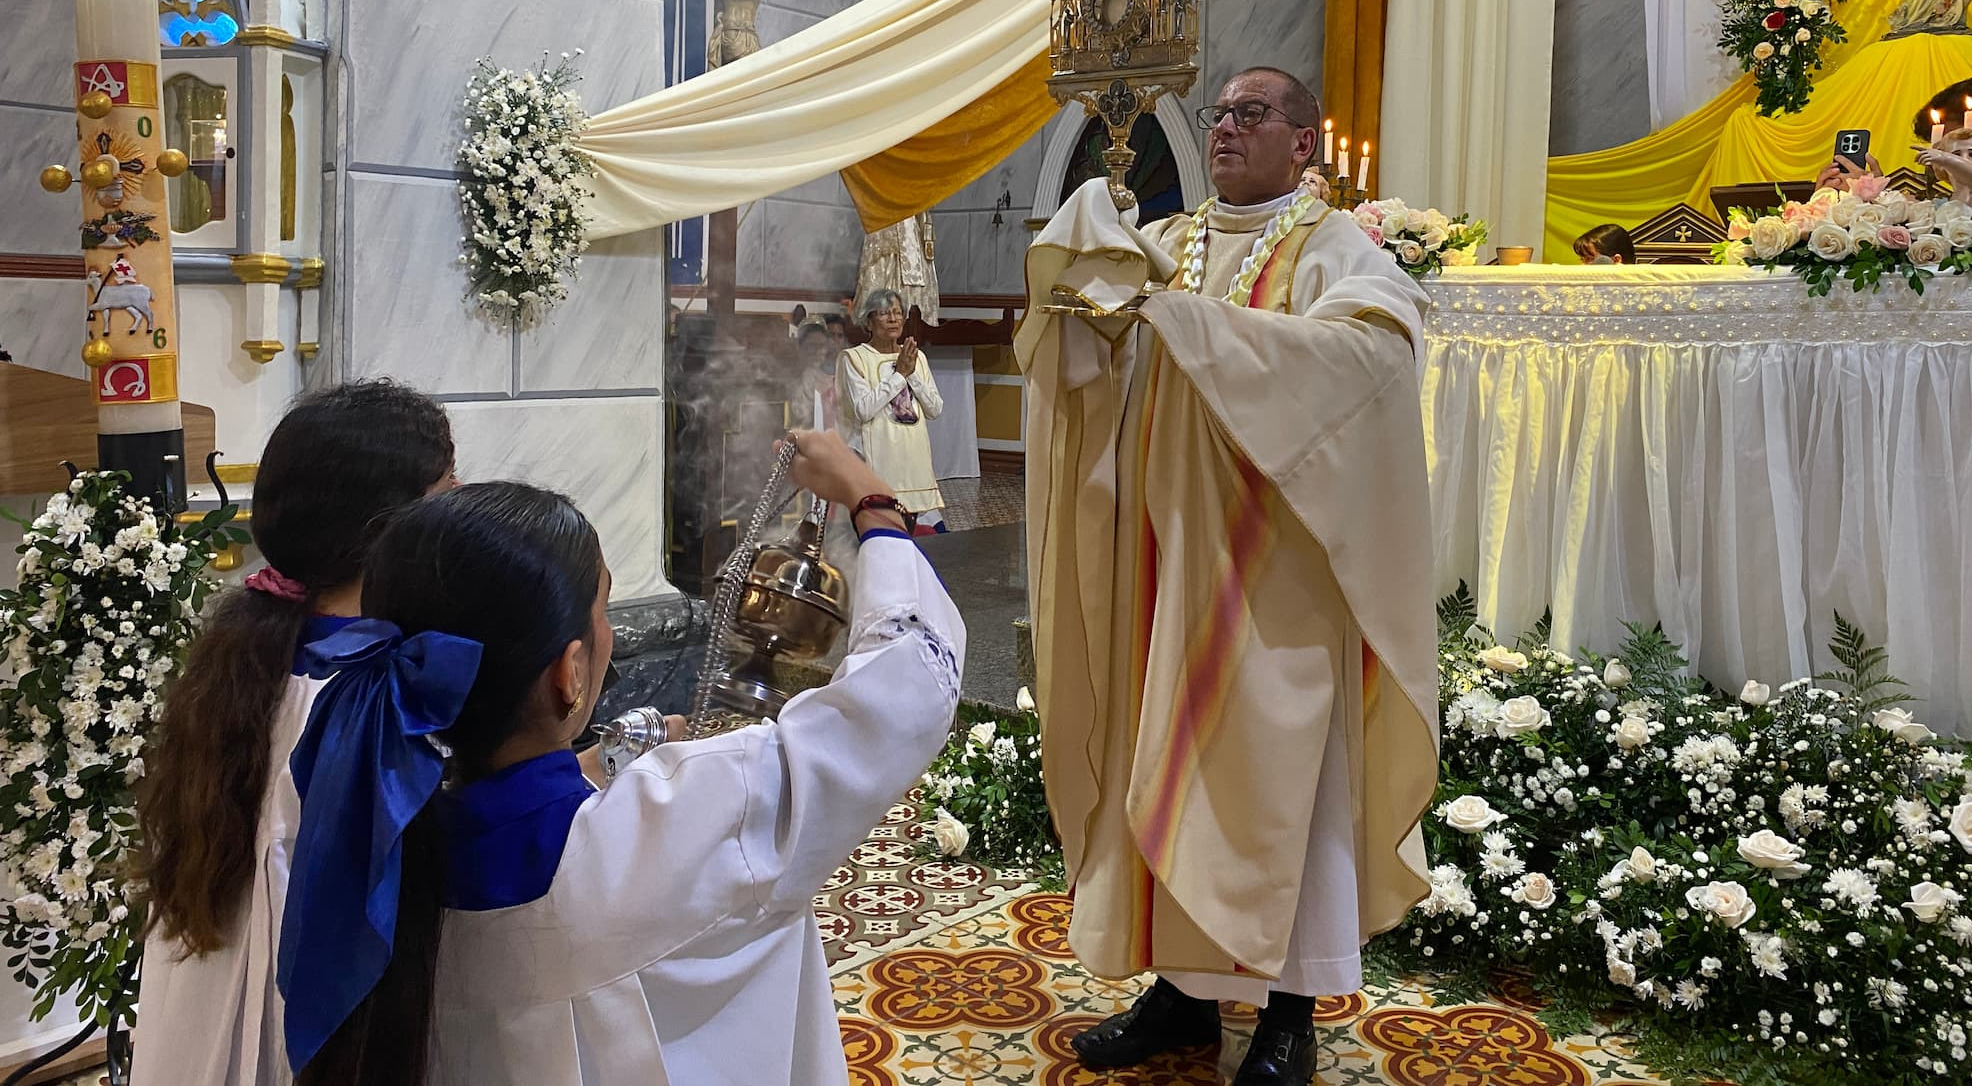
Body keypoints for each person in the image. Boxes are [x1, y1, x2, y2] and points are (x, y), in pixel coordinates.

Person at [274, 431, 963, 1086]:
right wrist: (871, 498)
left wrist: (587, 769)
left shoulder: (379, 854)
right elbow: (905, 686)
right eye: (602, 606)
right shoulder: (692, 818)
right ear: (569, 674)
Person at [1020, 65, 1438, 1085]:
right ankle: (1182, 992)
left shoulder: (1338, 249)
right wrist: (1088, 289)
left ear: (1304, 144)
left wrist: (1197, 330)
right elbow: (1085, 353)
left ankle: (1291, 1008)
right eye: (1220, 115)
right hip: (1162, 566)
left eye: (1253, 115)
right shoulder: (1170, 245)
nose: (1226, 130)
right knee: (1158, 763)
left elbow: (1375, 354)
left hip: (1280, 575)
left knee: (1283, 783)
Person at [133, 380, 456, 1086]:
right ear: (393, 531)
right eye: (448, 494)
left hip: (205, 1007)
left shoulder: (252, 651)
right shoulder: (365, 697)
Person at [839, 287, 947, 532]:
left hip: (913, 453)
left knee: (912, 527)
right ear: (868, 321)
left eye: (898, 313)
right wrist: (899, 375)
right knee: (884, 527)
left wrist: (911, 374)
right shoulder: (854, 358)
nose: (893, 319)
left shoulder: (916, 358)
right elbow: (863, 410)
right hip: (879, 454)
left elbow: (935, 409)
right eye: (885, 313)